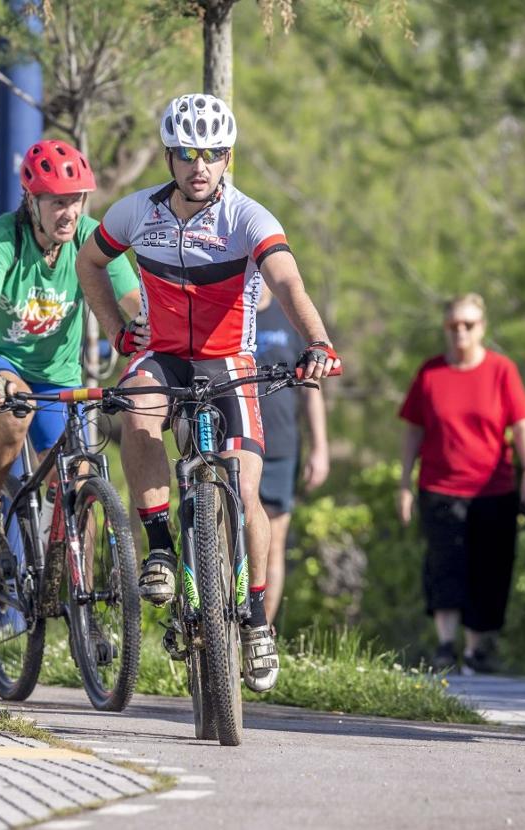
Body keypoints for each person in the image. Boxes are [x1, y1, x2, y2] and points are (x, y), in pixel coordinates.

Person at [74, 93, 342, 693]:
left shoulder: (249, 218)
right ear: (170, 157)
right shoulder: (134, 213)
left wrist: (319, 342)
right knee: (137, 412)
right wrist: (117, 327)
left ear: (229, 158)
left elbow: (288, 282)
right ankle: (163, 545)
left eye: (215, 153)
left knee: (247, 488)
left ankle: (254, 620)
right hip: (160, 354)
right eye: (190, 153)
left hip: (226, 361)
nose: (201, 164)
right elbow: (89, 265)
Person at [0, 139, 141, 583]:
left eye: (76, 201)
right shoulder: (3, 239)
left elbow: (133, 299)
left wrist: (157, 334)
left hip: (57, 375)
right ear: (32, 201)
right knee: (16, 413)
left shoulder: (89, 237)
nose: (70, 213)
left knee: (81, 482)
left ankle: (85, 608)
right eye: (58, 202)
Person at [397, 293, 525, 675]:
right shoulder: (430, 373)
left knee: (489, 568)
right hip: (440, 487)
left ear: (482, 328)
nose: (461, 332)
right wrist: (404, 483)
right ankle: (446, 646)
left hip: (493, 490)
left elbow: (521, 424)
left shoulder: (501, 370)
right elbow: (412, 430)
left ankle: (476, 650)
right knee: (444, 565)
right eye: (454, 325)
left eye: (469, 325)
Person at [252, 289, 330, 625]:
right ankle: (222, 631)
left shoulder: (291, 314)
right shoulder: (230, 307)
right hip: (236, 440)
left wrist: (320, 448)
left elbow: (311, 389)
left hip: (281, 444)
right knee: (231, 539)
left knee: (273, 544)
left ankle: (260, 634)